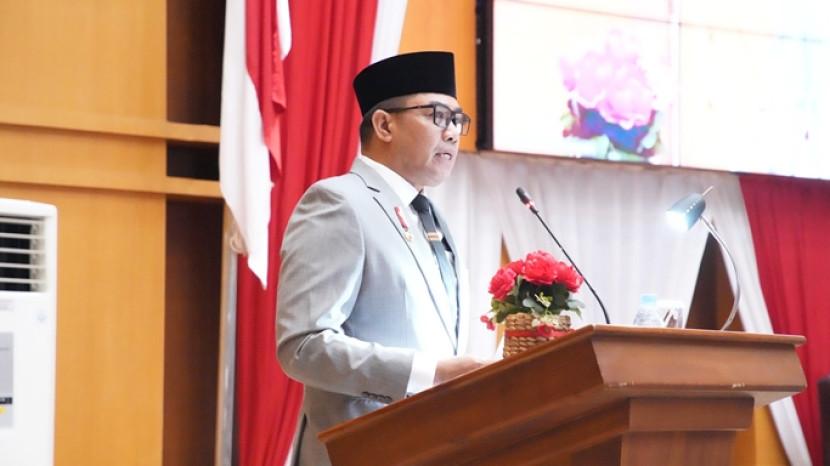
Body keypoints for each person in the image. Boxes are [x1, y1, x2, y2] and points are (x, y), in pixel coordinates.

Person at [276, 51, 488, 466]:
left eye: (457, 120)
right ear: (384, 125)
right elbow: (302, 346)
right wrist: (430, 373)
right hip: (361, 451)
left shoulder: (431, 216)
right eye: (437, 116)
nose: (451, 133)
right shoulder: (338, 202)